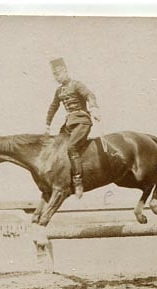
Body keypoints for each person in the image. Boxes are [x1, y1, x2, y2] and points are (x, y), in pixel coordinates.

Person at [45, 58, 101, 199]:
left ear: (65, 71)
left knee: (71, 147)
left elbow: (90, 95)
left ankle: (78, 181)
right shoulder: (59, 91)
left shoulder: (76, 85)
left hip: (82, 121)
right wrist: (47, 124)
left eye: (58, 74)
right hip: (69, 123)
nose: (57, 78)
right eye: (54, 75)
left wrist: (93, 108)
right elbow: (53, 107)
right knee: (56, 147)